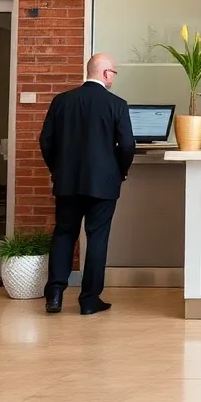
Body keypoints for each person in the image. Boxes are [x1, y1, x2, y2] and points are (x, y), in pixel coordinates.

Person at [40, 53, 135, 315]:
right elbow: (128, 145)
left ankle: (55, 295)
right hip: (104, 183)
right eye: (113, 72)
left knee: (63, 234)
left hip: (67, 182)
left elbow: (46, 140)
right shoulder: (117, 104)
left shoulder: (61, 101)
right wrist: (120, 171)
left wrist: (57, 169)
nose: (113, 77)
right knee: (97, 238)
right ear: (105, 73)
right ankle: (89, 300)